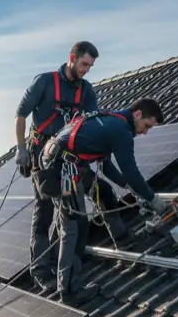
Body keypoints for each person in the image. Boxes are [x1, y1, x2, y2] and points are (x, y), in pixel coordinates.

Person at [15, 41, 131, 292]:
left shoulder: (87, 91)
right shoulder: (44, 82)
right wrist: (21, 149)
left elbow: (92, 125)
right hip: (42, 156)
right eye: (84, 64)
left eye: (90, 66)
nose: (87, 70)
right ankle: (41, 272)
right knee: (44, 211)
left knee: (82, 204)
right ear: (71, 58)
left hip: (70, 158)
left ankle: (70, 266)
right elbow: (21, 115)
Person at [38, 98, 169, 306]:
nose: (145, 132)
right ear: (137, 115)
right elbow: (130, 170)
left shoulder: (112, 121)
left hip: (67, 161)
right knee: (74, 226)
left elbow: (107, 167)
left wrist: (128, 188)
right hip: (60, 168)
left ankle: (122, 238)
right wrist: (152, 198)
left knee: (104, 191)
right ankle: (68, 290)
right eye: (147, 126)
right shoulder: (121, 130)